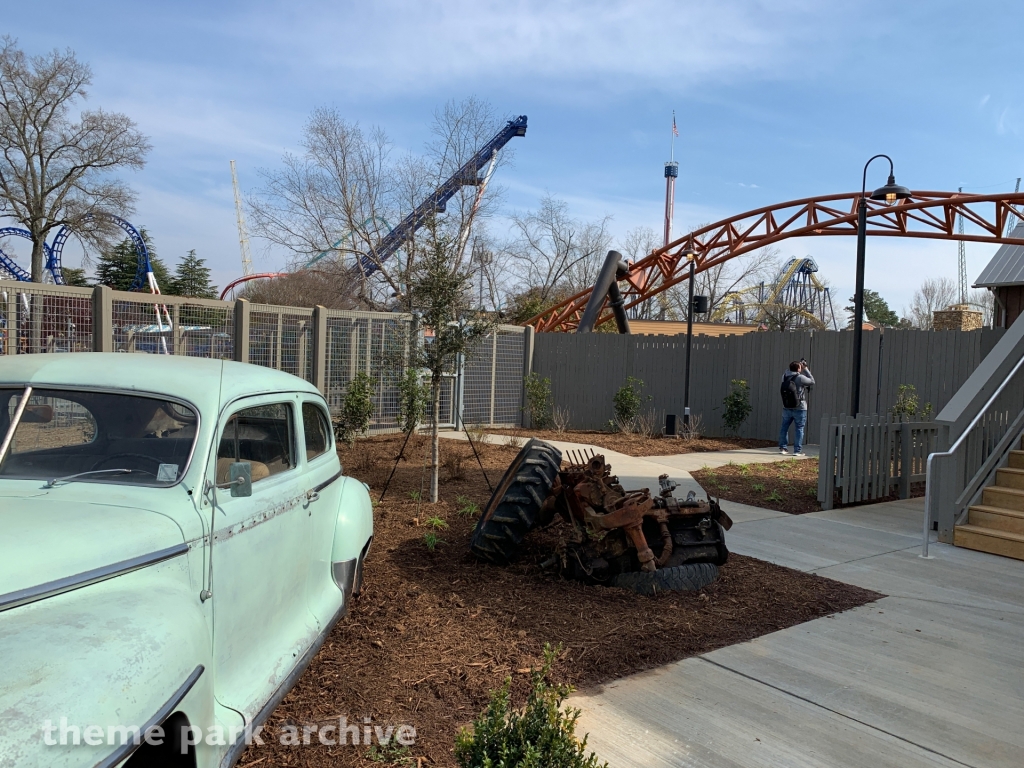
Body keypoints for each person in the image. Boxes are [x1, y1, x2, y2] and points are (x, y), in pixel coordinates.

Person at [779, 360, 814, 455]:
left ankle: (783, 448)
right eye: (800, 366)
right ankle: (797, 451)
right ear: (799, 368)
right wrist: (806, 369)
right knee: (799, 428)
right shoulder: (800, 377)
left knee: (784, 427)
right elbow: (812, 381)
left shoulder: (784, 376)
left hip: (787, 406)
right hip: (800, 407)